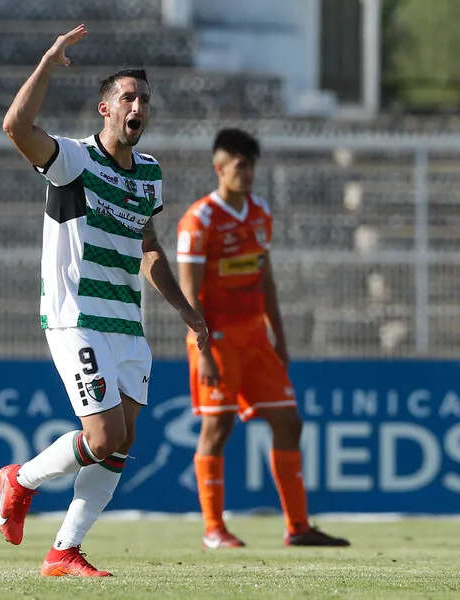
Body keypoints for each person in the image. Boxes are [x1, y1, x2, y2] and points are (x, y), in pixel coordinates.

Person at [0, 24, 209, 577]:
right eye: (127, 98)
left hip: (127, 324)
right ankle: (20, 480)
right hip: (77, 318)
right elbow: (16, 127)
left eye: (144, 99)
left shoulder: (151, 176)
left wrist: (186, 310)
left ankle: (64, 550)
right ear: (105, 109)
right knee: (104, 435)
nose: (138, 106)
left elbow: (150, 247)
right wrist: (47, 60)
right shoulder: (73, 160)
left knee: (122, 442)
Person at [176, 128, 350, 549]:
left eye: (251, 164)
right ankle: (214, 529)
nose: (248, 172)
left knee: (290, 422)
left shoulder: (259, 213)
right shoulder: (199, 221)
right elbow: (188, 293)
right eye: (239, 165)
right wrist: (205, 351)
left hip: (256, 339)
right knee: (217, 427)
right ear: (220, 168)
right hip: (215, 339)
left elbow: (265, 279)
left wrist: (280, 336)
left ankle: (298, 527)